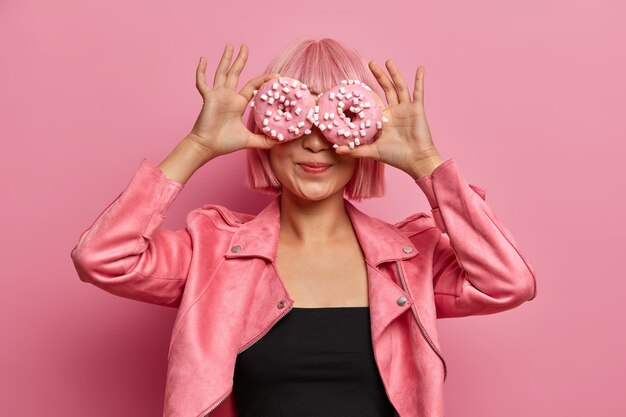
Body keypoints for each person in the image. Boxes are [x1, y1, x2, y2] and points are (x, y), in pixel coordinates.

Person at [70, 39, 538, 417]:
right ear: (267, 135)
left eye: (342, 118)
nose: (315, 142)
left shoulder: (411, 260)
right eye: (294, 118)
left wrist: (425, 165)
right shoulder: (212, 253)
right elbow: (102, 258)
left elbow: (507, 282)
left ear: (369, 135)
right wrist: (197, 145)